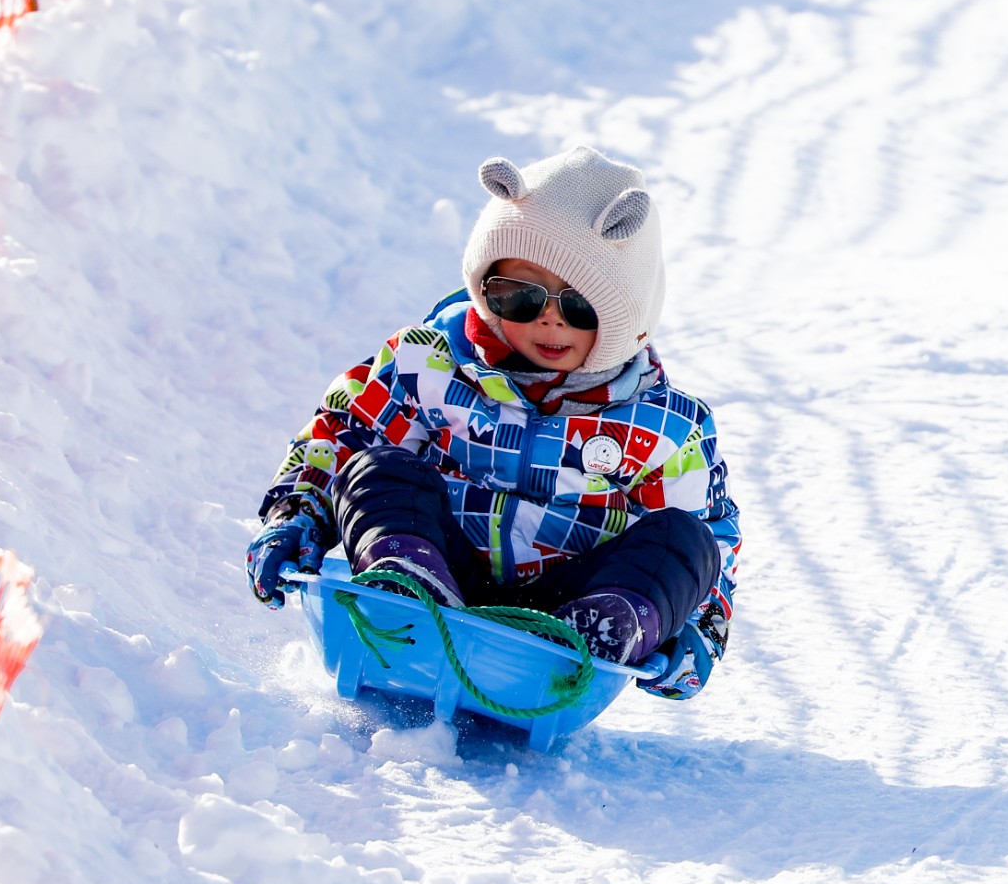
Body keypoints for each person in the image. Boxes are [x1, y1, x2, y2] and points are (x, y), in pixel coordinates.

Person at [246, 145, 740, 699]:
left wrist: (694, 632)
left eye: (578, 306)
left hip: (568, 605)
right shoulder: (426, 365)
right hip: (441, 567)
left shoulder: (665, 426)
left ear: (627, 318)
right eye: (519, 296)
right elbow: (342, 433)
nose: (548, 319)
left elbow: (709, 538)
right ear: (486, 290)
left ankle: (608, 630)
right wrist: (299, 513)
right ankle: (403, 587)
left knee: (688, 539)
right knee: (377, 467)